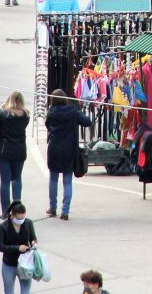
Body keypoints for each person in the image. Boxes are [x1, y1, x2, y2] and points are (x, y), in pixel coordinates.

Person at [44, 91, 92, 222]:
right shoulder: (72, 111)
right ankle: (65, 211)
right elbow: (87, 122)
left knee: (53, 180)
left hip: (54, 149)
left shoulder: (51, 112)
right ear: (65, 99)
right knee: (67, 182)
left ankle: (53, 208)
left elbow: (47, 125)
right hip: (69, 150)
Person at [0, 92, 30, 217]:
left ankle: (5, 211)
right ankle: (17, 209)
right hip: (19, 150)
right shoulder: (26, 115)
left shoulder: (2, 113)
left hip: (4, 150)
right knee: (17, 179)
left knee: (5, 181)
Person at [0, 202, 37, 294]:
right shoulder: (3, 227)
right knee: (9, 291)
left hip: (25, 264)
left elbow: (33, 238)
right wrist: (17, 248)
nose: (21, 220)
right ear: (12, 215)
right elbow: (1, 247)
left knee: (26, 291)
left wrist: (34, 243)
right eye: (19, 218)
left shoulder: (28, 223)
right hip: (9, 264)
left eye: (23, 218)